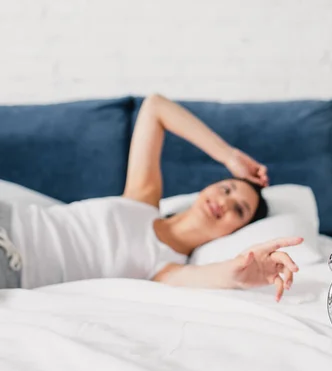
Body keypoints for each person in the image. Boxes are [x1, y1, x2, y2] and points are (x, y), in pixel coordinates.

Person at [0, 94, 301, 302]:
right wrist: (230, 157)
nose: (223, 202)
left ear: (235, 231)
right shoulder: (142, 199)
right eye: (226, 188)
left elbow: (220, 275)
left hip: (10, 267)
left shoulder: (165, 269)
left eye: (239, 208)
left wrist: (243, 271)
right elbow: (155, 107)